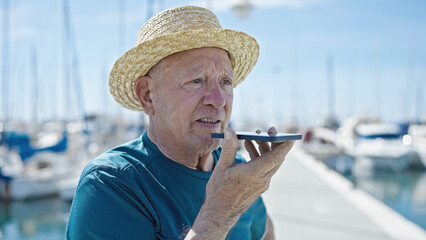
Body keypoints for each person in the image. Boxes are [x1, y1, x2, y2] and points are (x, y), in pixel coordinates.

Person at [66, 6, 294, 240]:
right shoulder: (111, 184)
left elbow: (265, 231)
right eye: (196, 80)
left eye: (225, 81)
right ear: (147, 95)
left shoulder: (235, 172)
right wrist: (219, 214)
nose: (218, 100)